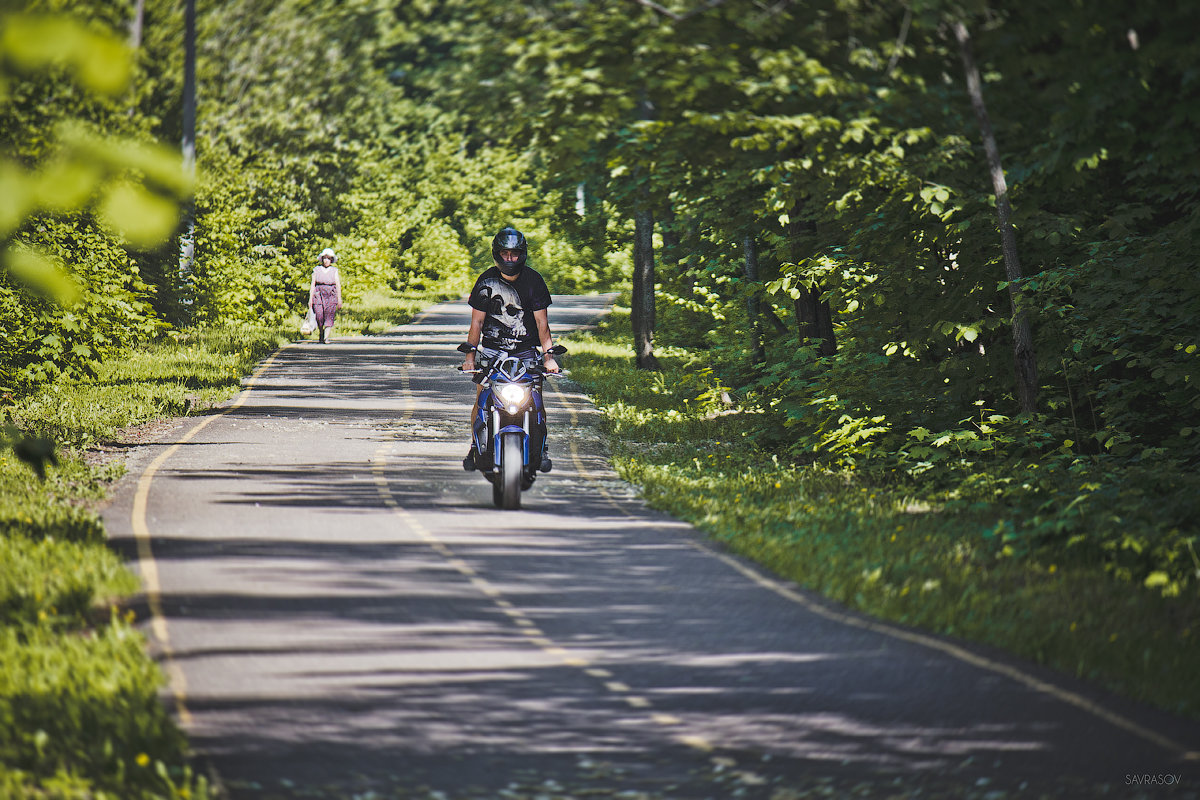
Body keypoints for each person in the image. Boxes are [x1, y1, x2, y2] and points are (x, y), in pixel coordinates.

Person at [461, 226, 560, 470]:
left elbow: (541, 323)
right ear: (497, 254)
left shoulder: (534, 281)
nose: (510, 259)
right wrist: (470, 356)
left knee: (536, 400)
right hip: (493, 351)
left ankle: (541, 448)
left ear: (522, 254)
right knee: (481, 399)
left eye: (514, 254)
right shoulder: (486, 281)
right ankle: (475, 446)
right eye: (505, 254)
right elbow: (477, 322)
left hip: (526, 352)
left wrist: (548, 357)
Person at [308, 248, 342, 343]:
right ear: (322, 259)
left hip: (331, 294)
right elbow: (312, 284)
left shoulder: (334, 270)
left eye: (328, 258)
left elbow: (338, 284)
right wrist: (310, 299)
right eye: (325, 258)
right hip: (318, 294)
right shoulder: (316, 270)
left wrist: (339, 299)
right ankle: (321, 332)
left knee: (329, 315)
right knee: (319, 315)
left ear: (331, 260)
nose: (326, 260)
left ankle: (326, 337)